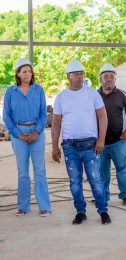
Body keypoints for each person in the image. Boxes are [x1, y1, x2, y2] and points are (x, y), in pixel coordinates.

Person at [51, 60, 111, 225]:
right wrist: (54, 146)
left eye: (81, 74)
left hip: (91, 145)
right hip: (70, 147)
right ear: (68, 76)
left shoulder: (92, 93)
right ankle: (80, 211)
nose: (80, 77)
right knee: (75, 182)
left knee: (96, 180)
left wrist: (101, 140)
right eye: (76, 74)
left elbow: (102, 116)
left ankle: (103, 210)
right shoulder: (62, 97)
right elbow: (56, 123)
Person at [3, 58, 51, 217]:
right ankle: (23, 206)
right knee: (23, 172)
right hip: (19, 135)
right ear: (18, 74)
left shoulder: (38, 90)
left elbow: (44, 114)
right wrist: (18, 134)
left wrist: (36, 132)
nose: (27, 74)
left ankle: (44, 206)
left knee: (39, 170)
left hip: (37, 134)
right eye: (24, 71)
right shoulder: (10, 92)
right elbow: (7, 116)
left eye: (29, 71)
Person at [97, 64, 126, 206]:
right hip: (100, 142)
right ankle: (103, 196)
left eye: (111, 77)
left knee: (122, 170)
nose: (108, 79)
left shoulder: (122, 95)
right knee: (102, 172)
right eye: (105, 77)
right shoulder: (94, 95)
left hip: (118, 142)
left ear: (115, 79)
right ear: (100, 79)